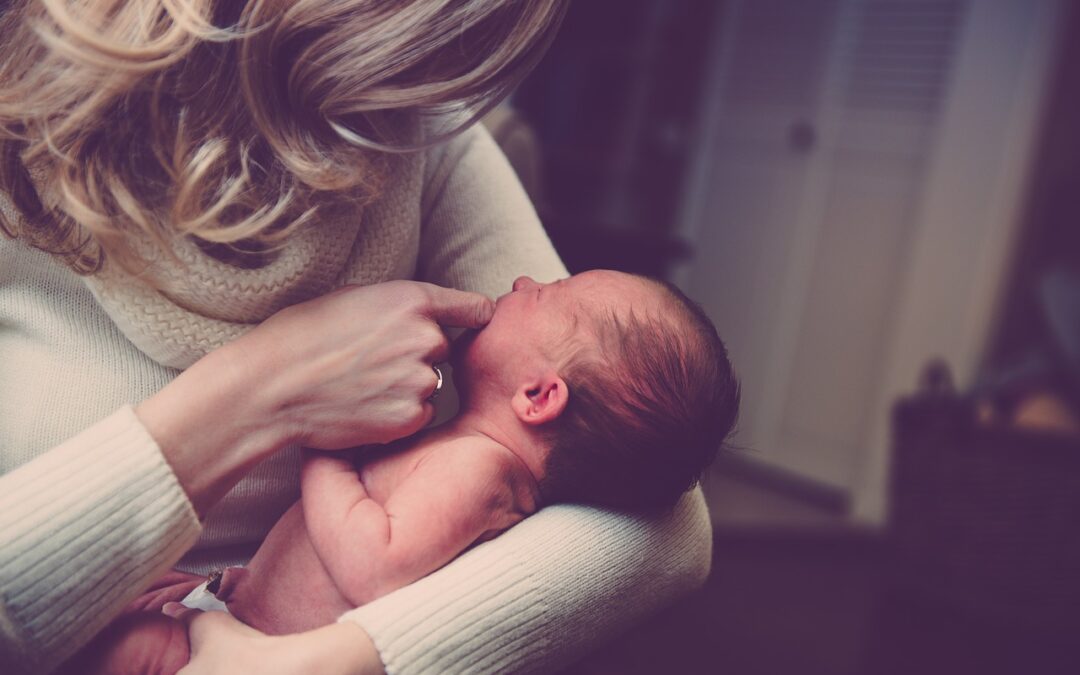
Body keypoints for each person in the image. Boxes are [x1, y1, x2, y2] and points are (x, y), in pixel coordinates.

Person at [0, 3, 715, 674]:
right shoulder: (22, 116)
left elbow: (668, 525)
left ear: (540, 394)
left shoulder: (421, 128)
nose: (524, 283)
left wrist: (331, 660)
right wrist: (277, 389)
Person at [65, 270, 740, 673]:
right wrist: (231, 583)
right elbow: (321, 567)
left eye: (549, 293)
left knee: (127, 646)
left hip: (261, 654)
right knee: (121, 622)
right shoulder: (465, 449)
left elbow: (374, 566)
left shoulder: (480, 470)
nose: (525, 280)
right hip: (247, 614)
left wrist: (321, 441)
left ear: (538, 397)